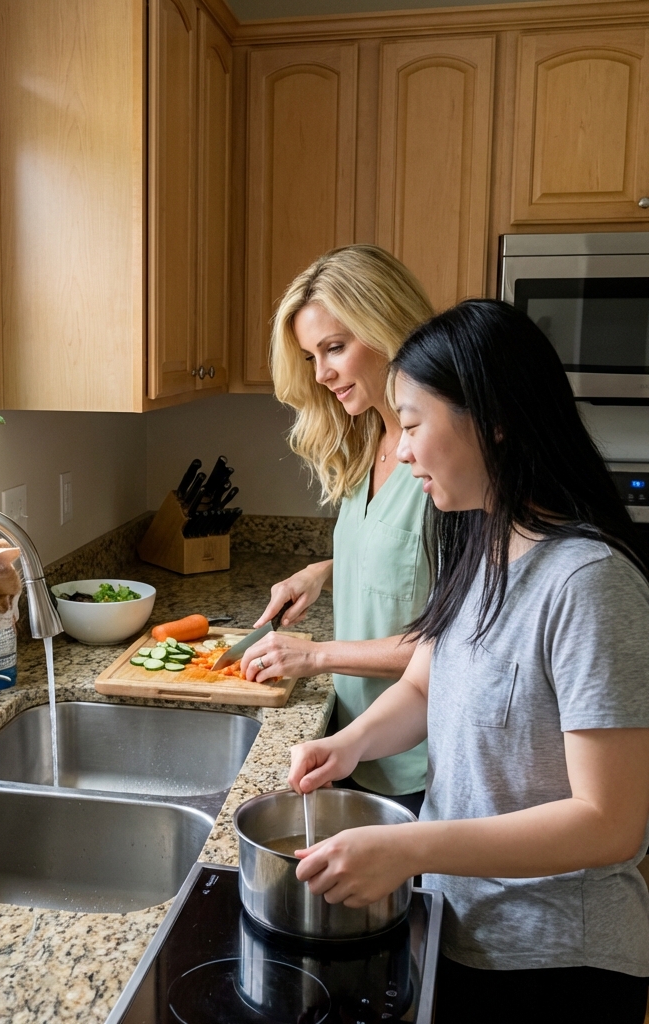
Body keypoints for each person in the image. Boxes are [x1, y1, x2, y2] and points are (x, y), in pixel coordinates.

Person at [288, 299, 649, 1023]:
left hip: (555, 961)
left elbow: (611, 822)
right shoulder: (484, 541)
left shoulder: (589, 583)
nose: (405, 450)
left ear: (494, 420)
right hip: (464, 924)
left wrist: (408, 847)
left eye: (415, 425)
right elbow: (427, 682)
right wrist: (346, 744)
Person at [242, 244, 434, 815]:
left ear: (387, 327)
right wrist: (323, 570)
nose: (322, 374)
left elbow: (450, 643)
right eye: (311, 357)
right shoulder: (367, 441)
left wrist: (315, 655)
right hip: (353, 744)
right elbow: (403, 556)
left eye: (335, 348)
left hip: (416, 762)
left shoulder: (442, 463)